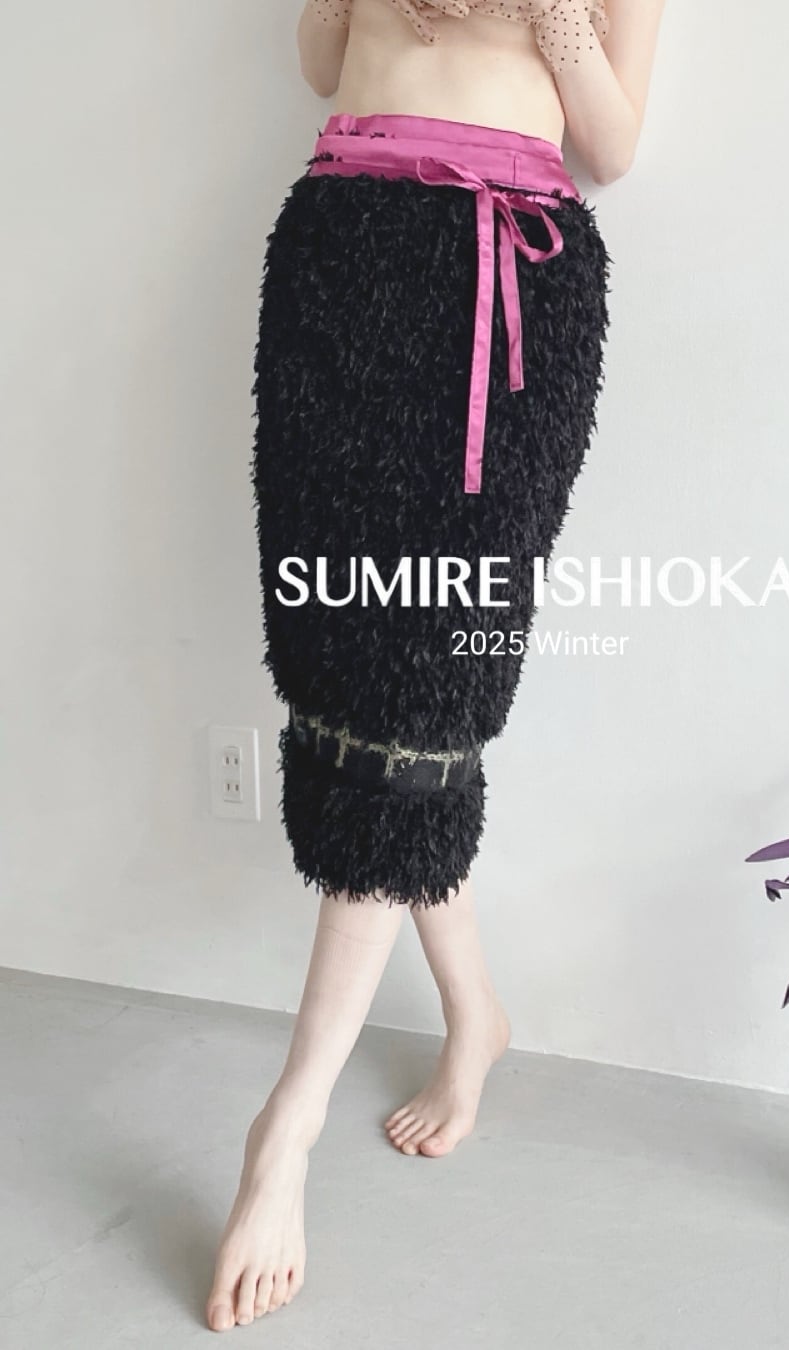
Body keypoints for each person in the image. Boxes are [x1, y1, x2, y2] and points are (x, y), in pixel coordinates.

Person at [207, 0, 666, 1332]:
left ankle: (288, 1124)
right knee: (339, 675)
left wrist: (549, 16)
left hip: (501, 281)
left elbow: (614, 147)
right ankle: (476, 1014)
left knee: (421, 697)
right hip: (339, 256)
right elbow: (320, 66)